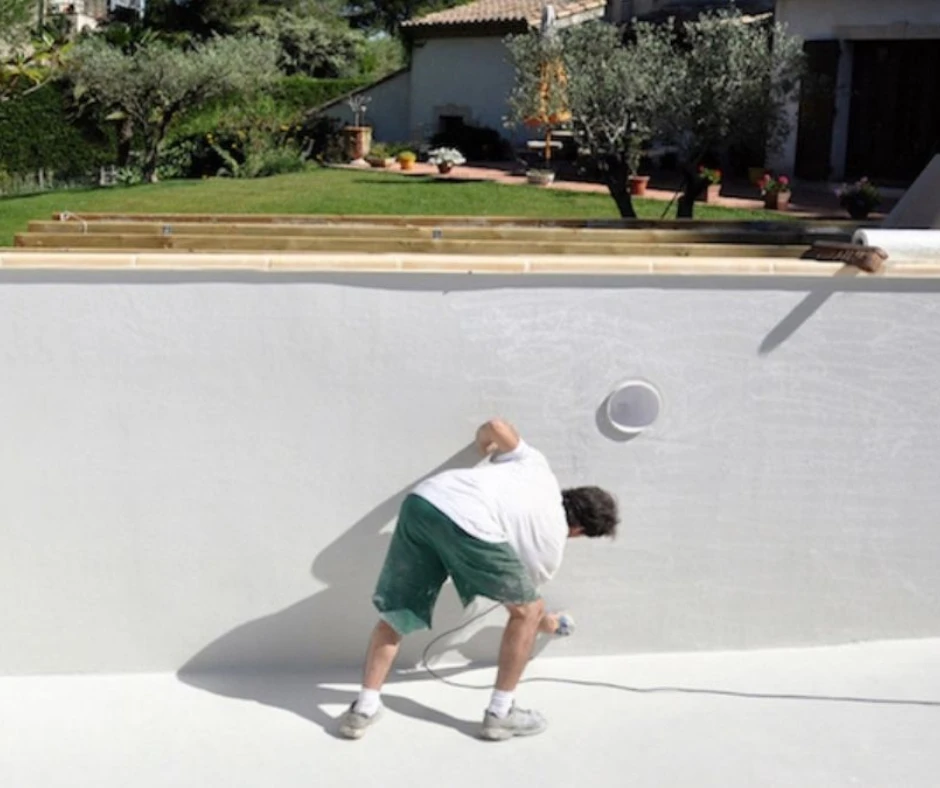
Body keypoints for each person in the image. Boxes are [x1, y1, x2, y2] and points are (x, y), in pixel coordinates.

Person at [338, 418, 619, 741]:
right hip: (469, 522)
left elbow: (497, 426)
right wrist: (554, 626)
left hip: (425, 501)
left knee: (398, 613)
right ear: (580, 531)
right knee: (528, 609)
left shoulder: (536, 465)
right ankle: (501, 713)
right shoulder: (551, 546)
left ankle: (364, 709)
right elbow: (526, 610)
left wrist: (481, 445)